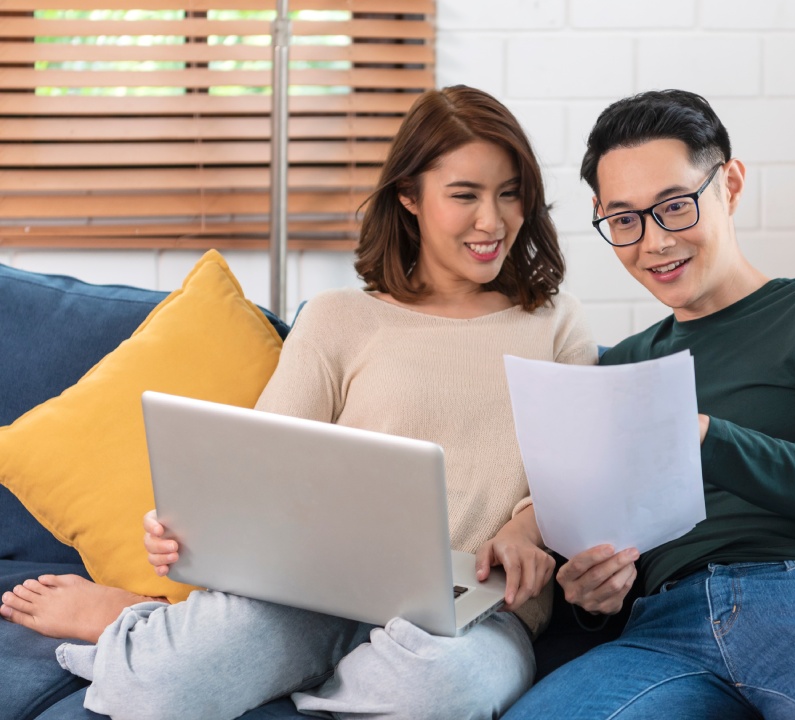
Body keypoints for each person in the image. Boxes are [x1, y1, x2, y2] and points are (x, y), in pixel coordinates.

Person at [0, 85, 595, 720]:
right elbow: (261, 462)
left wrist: (524, 528)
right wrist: (187, 531)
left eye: (510, 193)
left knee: (446, 691)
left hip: (477, 613)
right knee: (157, 686)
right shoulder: (340, 318)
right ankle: (147, 625)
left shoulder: (555, 324)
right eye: (465, 195)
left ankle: (278, 666)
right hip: (315, 597)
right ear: (409, 197)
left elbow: (580, 468)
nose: (493, 220)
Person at [503, 90, 795, 719]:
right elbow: (609, 550)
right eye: (625, 220)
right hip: (660, 630)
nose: (653, 242)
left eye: (674, 206)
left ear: (729, 183)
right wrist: (595, 600)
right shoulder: (619, 369)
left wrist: (702, 436)